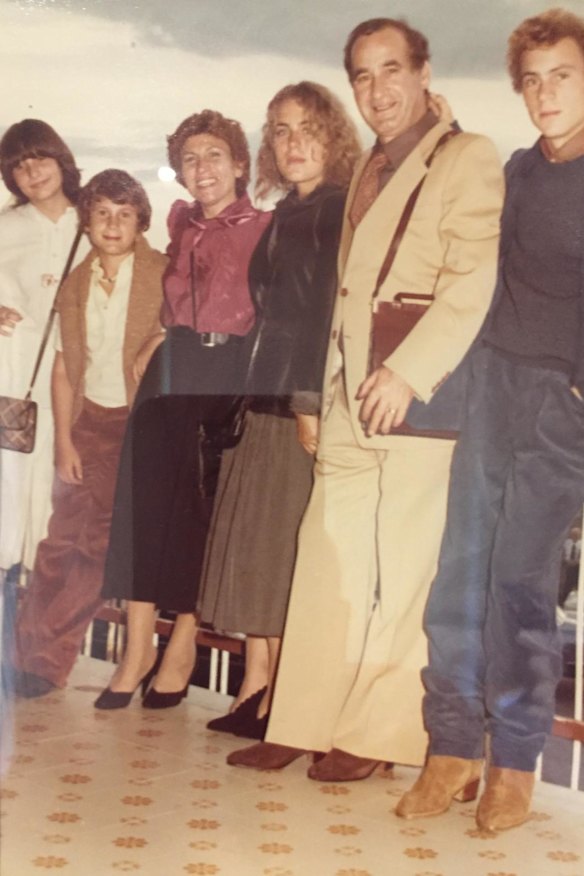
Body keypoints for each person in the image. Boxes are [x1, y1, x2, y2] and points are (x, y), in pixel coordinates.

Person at [228, 17, 503, 777]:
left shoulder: (468, 157)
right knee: (327, 559)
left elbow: (471, 279)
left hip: (421, 393)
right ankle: (303, 717)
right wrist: (317, 394)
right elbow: (339, 296)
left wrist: (411, 370)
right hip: (350, 392)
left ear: (423, 71)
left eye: (391, 70)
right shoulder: (371, 171)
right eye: (361, 76)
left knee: (404, 567)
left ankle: (377, 738)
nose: (377, 90)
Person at [397, 8, 584, 832]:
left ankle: (513, 762)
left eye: (563, 76)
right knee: (458, 572)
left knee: (520, 584)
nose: (545, 94)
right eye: (533, 79)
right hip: (489, 384)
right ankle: (451, 750)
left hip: (561, 403)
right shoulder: (518, 166)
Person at [198, 82, 361, 738]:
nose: (292, 144)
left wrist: (308, 403)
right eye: (281, 131)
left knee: (287, 548)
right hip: (263, 395)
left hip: (298, 398)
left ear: (333, 137)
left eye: (307, 129)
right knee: (263, 547)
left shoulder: (337, 210)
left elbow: (323, 313)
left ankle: (283, 699)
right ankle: (258, 684)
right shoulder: (290, 211)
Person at [97, 111, 270, 710]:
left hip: (228, 374)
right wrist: (156, 336)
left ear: (240, 164)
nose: (203, 168)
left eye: (215, 154)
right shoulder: (180, 223)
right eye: (190, 158)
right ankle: (138, 648)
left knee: (201, 512)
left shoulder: (266, 227)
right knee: (143, 508)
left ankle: (184, 645)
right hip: (171, 368)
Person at [9, 169, 166, 698]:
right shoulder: (75, 282)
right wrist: (65, 442)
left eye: (124, 214)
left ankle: (46, 662)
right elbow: (61, 368)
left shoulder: (161, 273)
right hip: (89, 422)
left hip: (139, 424)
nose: (112, 224)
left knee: (95, 545)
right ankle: (22, 658)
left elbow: (184, 324)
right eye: (101, 213)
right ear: (88, 220)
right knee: (60, 542)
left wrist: (158, 338)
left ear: (141, 221)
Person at [0, 120, 87, 584]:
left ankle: (30, 635)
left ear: (61, 158)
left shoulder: (95, 221)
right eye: (19, 167)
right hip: (12, 375)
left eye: (40, 159)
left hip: (70, 381)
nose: (32, 173)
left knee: (52, 504)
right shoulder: (6, 226)